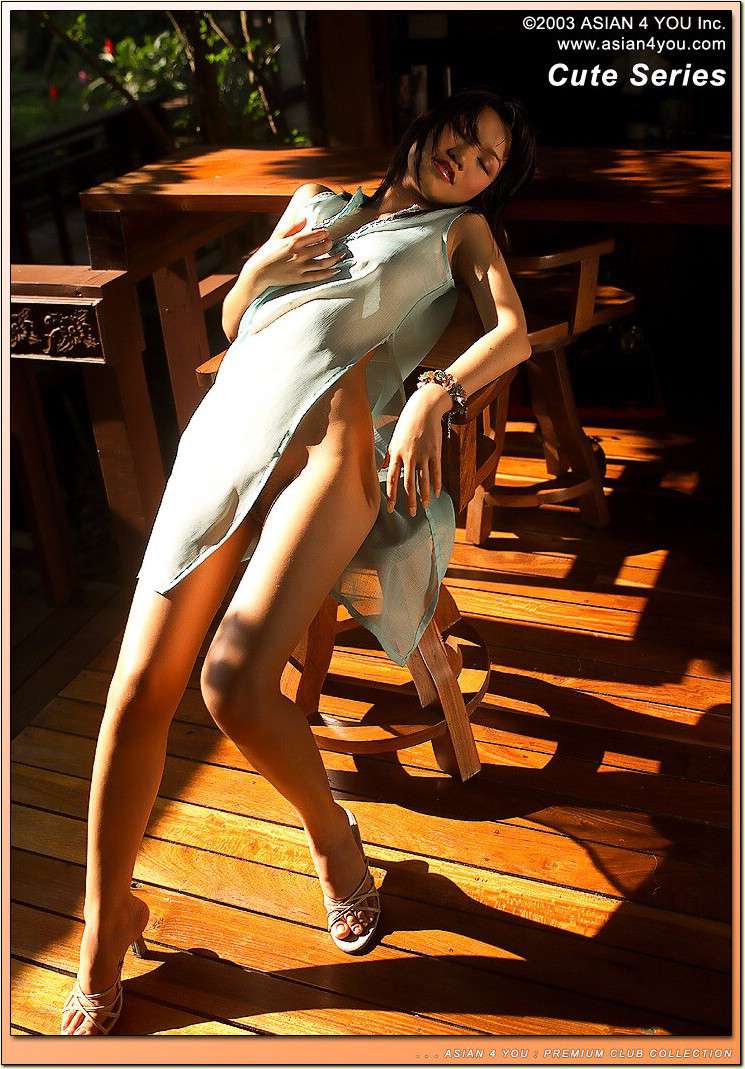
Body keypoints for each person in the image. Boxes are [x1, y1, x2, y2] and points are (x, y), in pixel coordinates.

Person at [60, 87, 535, 1035]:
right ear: (428, 125)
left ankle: (332, 838)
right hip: (230, 431)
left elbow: (509, 329)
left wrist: (434, 391)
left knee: (232, 684)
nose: (467, 160)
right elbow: (242, 322)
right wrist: (259, 267)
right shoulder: (316, 201)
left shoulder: (460, 232)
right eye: (463, 136)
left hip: (333, 441)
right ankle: (105, 928)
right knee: (136, 690)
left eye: (488, 160)